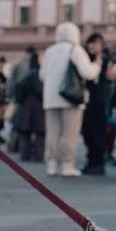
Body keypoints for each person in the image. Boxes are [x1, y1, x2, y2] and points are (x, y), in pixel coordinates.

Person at [41, 22, 102, 177]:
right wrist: (97, 66)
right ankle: (67, 164)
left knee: (53, 131)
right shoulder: (75, 50)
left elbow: (42, 75)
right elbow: (87, 73)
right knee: (70, 131)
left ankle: (52, 164)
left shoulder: (49, 51)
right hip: (71, 97)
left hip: (50, 98)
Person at [81, 32, 110, 174]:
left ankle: (98, 163)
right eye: (91, 43)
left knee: (98, 133)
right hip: (87, 100)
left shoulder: (105, 59)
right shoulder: (85, 59)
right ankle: (91, 160)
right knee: (87, 132)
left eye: (97, 43)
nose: (93, 46)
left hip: (99, 101)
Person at [12, 50, 45, 162]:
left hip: (25, 106)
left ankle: (25, 154)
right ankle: (39, 155)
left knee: (25, 133)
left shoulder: (26, 73)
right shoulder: (37, 73)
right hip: (37, 107)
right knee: (40, 133)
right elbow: (39, 90)